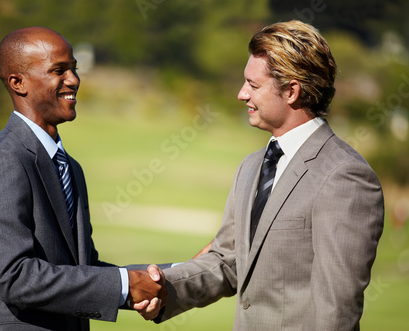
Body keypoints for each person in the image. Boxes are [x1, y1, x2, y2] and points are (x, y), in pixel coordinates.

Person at [151, 20, 384, 330]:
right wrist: (161, 286)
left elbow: (335, 310)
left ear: (291, 91)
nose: (241, 94)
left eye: (253, 85)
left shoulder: (345, 176)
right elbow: (229, 260)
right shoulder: (250, 166)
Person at [0, 26, 166, 331]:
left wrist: (160, 278)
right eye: (59, 70)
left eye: (74, 69)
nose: (74, 80)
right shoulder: (3, 161)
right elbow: (15, 277)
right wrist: (124, 285)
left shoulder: (70, 167)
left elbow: (80, 270)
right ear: (18, 82)